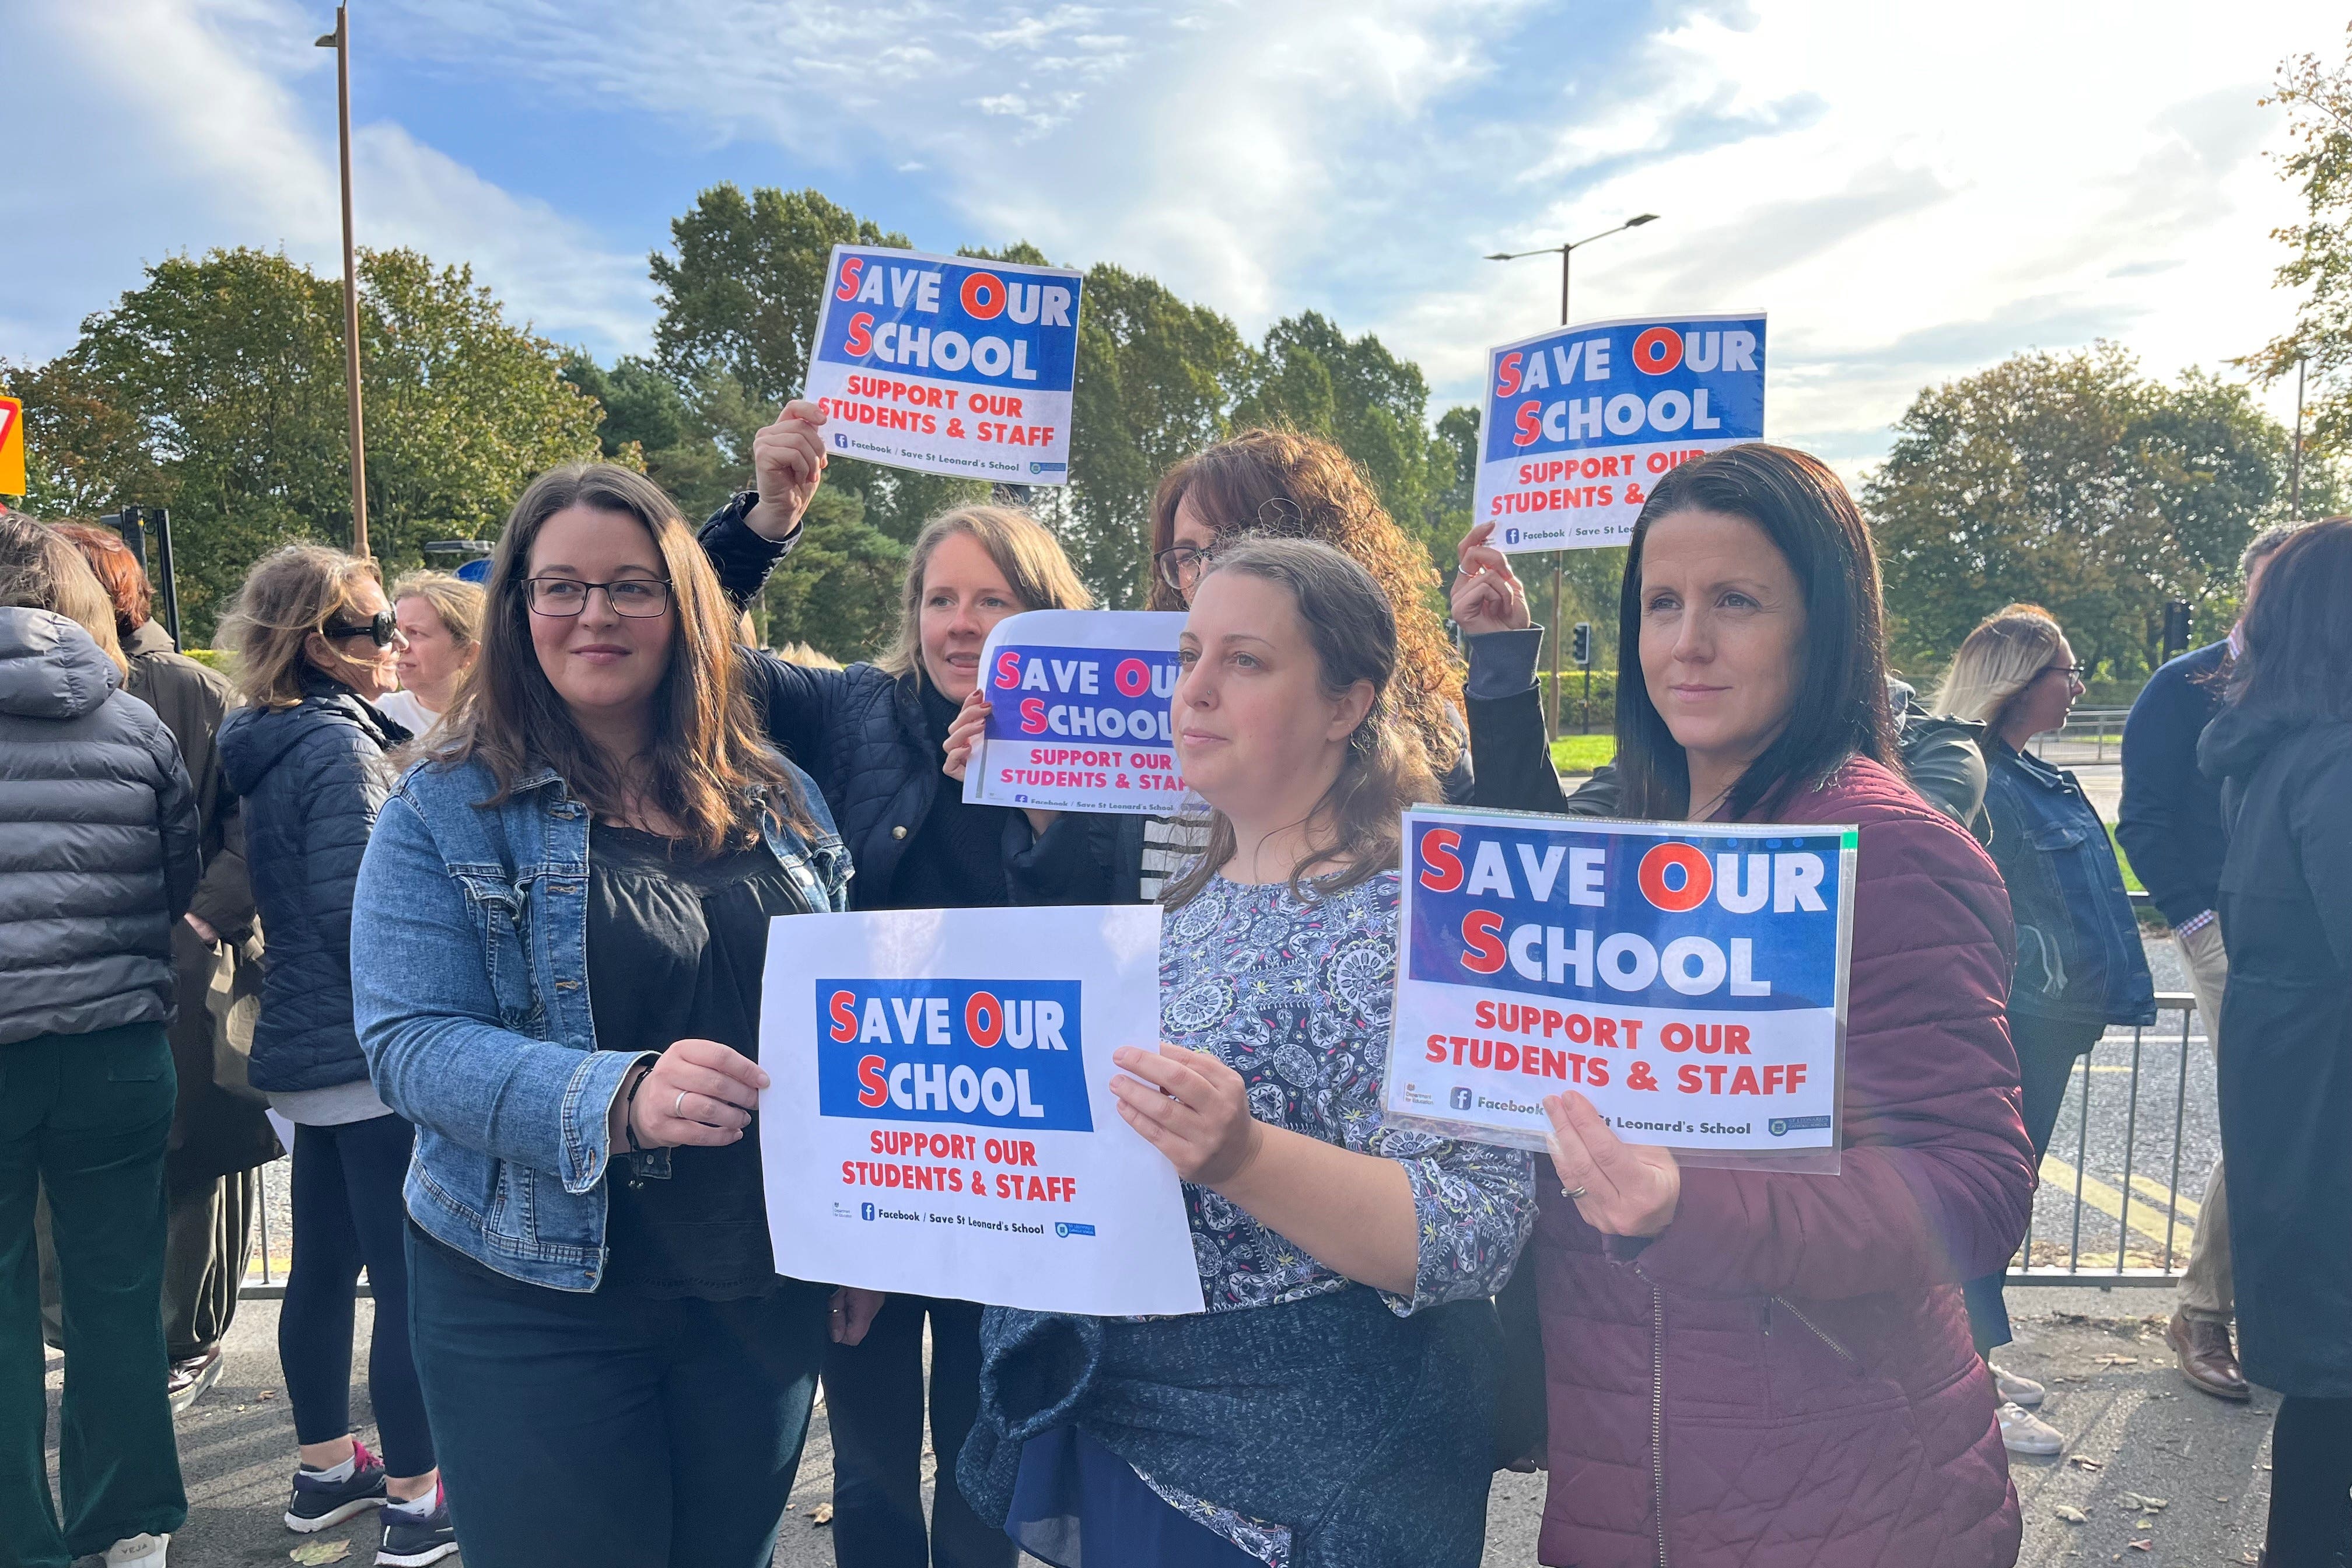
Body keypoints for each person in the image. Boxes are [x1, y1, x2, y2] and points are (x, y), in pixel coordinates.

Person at [1452, 445, 2036, 1568]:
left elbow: (1974, 1190)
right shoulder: (1654, 836)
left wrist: (1685, 1205)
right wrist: (1499, 674)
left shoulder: (1896, 850)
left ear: (1822, 624)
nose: (1687, 643)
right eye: (1661, 603)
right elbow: (1541, 890)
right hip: (1631, 1464)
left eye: (1736, 602)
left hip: (1845, 1497)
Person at [958, 538, 1535, 1568]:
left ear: (1345, 704)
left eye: (1246, 660)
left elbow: (1482, 1222)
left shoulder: (1439, 916)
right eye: (1187, 656)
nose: (1194, 690)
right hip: (1137, 1429)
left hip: (1322, 1469)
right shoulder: (1183, 906)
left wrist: (1245, 1157)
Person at [351, 460, 881, 1568]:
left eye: (632, 586)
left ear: (683, 605)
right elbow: (409, 1045)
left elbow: (851, 1023)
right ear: (519, 609)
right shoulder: (444, 803)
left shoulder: (780, 791)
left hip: (756, 1290)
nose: (595, 613)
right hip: (534, 1294)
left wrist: (864, 1220)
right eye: (561, 587)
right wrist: (620, 1095)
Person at [695, 402, 1103, 1568]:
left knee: (984, 1457)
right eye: (941, 598)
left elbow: (1114, 936)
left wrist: (1036, 801)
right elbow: (692, 646)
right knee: (870, 1465)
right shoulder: (846, 712)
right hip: (872, 1153)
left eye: (994, 599)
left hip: (1011, 1161)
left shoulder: (1102, 753)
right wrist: (766, 522)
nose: (961, 624)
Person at [215, 549, 449, 1564]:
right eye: (369, 625)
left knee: (320, 1267)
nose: (391, 641)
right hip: (362, 1038)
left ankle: (325, 1467)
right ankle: (413, 1492)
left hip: (305, 1038)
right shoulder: (341, 749)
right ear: (318, 644)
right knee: (402, 1280)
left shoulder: (268, 738)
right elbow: (368, 912)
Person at [0, 515, 200, 1568]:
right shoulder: (136, 729)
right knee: (118, 1288)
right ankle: (126, 1523)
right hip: (118, 1039)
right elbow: (174, 878)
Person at [51, 524, 278, 1412]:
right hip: (97, 971)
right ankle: (105, 1340)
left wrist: (199, 918)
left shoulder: (188, 688)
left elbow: (254, 831)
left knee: (193, 1163)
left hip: (191, 968)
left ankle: (187, 1339)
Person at [1931, 604, 2155, 1454]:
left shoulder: (2036, 776)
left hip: (2052, 1022)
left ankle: (1975, 1359)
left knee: (2006, 1200)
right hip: (2011, 1021)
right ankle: (1969, 1384)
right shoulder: (1976, 779)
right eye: (2066, 670)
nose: (2079, 686)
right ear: (2023, 682)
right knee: (1984, 1200)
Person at [2194, 516, 2352, 1567]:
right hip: (2329, 1111)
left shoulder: (2276, 749)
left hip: (2298, 1102)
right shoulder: (2335, 761)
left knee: (2326, 1390)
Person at [1132, 426, 1473, 900]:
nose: (1207, 573)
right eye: (1188, 556)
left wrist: (1504, 668)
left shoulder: (1390, 896)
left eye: (1237, 541)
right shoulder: (1153, 700)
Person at [2117, 524, 2300, 1402]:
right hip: (2228, 929)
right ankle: (2205, 1312)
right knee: (2266, 1112)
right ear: (2248, 592)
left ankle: (2268, 1305)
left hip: (2308, 929)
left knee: (2301, 1113)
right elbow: (2143, 818)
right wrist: (2196, 924)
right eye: (2277, 589)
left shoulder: (2318, 685)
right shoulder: (2181, 685)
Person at [375, 571, 483, 742]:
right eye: (394, 631)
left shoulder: (504, 725)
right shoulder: (377, 717)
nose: (399, 645)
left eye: (415, 633)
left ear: (468, 652)